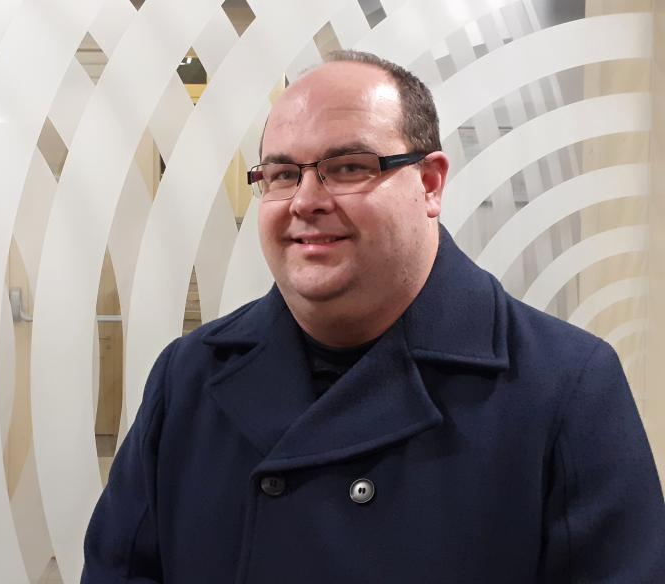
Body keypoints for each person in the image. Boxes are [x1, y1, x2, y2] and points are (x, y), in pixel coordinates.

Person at [81, 50, 665, 583]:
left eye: (348, 167)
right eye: (282, 175)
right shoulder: (189, 376)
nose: (306, 201)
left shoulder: (565, 385)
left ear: (430, 184)